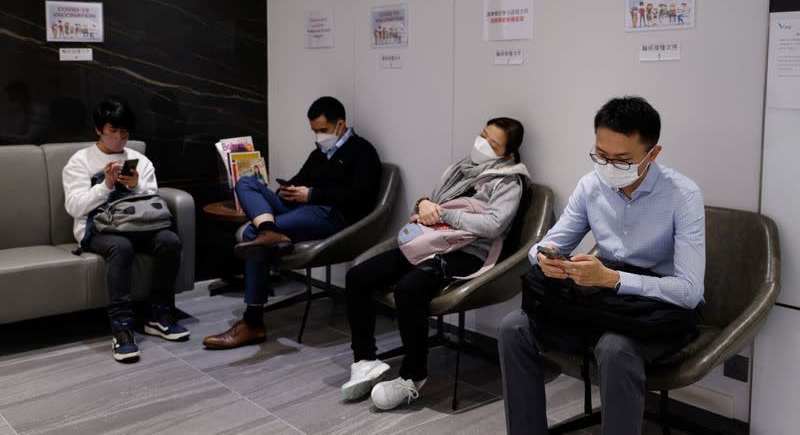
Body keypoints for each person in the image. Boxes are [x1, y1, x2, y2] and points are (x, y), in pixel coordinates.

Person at [498, 96, 705, 435]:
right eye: (601, 155)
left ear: (652, 154)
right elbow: (545, 245)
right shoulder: (591, 186)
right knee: (513, 328)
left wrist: (613, 278)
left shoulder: (682, 196)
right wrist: (548, 258)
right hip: (602, 304)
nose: (608, 165)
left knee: (614, 347)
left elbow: (689, 291)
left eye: (621, 159)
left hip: (655, 308)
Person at [343, 117, 529, 411]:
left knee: (409, 289)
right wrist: (422, 205)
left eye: (492, 143)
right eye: (482, 135)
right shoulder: (459, 170)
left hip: (467, 253)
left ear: (508, 155)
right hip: (430, 242)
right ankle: (365, 360)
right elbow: (432, 204)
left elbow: (493, 225)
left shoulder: (509, 181)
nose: (481, 144)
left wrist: (443, 214)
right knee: (357, 277)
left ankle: (413, 376)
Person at [202, 96, 382, 349]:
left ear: (340, 125)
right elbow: (300, 178)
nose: (319, 137)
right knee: (246, 182)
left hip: (331, 216)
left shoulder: (362, 152)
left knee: (253, 235)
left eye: (323, 130)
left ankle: (253, 321)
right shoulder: (318, 154)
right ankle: (270, 230)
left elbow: (361, 198)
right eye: (314, 131)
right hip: (303, 207)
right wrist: (288, 191)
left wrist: (312, 195)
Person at [63, 97, 189, 363]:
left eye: (125, 133)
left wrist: (135, 185)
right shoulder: (80, 161)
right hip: (97, 228)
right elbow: (75, 207)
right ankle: (122, 327)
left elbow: (152, 198)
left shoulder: (139, 159)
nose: (120, 139)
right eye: (113, 132)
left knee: (170, 241)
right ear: (98, 130)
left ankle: (160, 315)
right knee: (121, 247)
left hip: (139, 225)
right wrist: (106, 185)